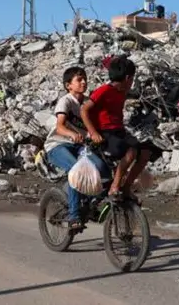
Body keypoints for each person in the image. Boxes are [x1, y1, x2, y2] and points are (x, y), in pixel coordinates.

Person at [80, 55, 152, 200]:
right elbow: (84, 110)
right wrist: (93, 133)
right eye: (132, 78)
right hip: (104, 133)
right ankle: (115, 186)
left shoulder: (122, 92)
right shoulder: (104, 91)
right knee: (130, 151)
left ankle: (126, 187)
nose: (132, 82)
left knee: (145, 152)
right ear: (127, 78)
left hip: (118, 132)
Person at [44, 66, 106, 228]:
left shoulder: (87, 103)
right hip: (58, 145)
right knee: (76, 170)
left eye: (85, 78)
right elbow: (60, 127)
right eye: (79, 80)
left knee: (102, 169)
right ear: (68, 85)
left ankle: (88, 204)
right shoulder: (66, 101)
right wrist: (71, 134)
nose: (84, 82)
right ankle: (74, 215)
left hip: (79, 147)